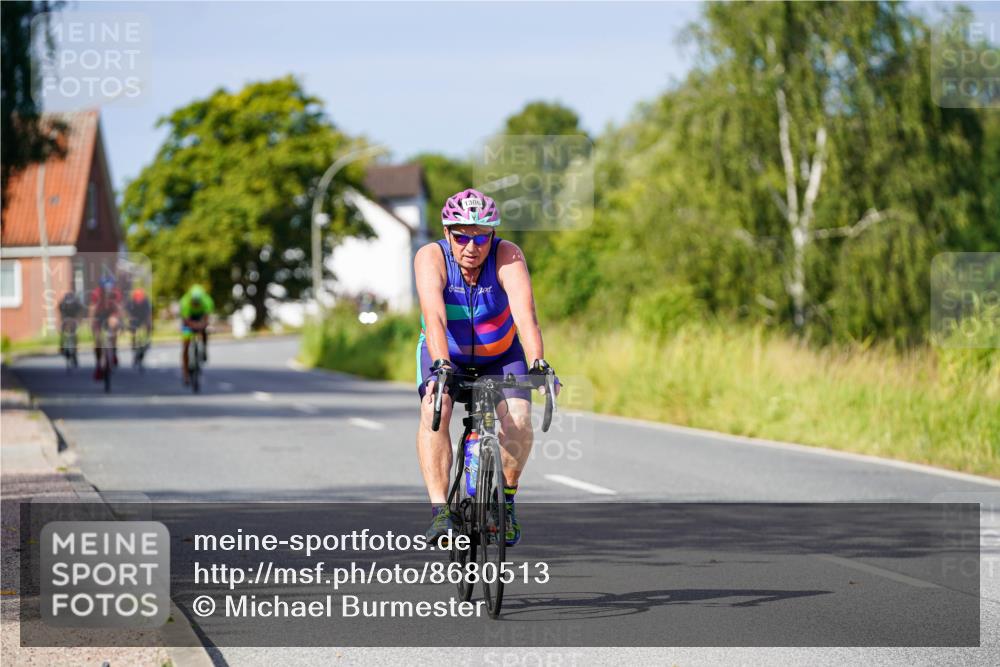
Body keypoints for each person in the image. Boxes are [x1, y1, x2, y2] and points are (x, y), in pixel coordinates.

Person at [414, 188, 557, 547]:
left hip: (501, 355)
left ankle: (505, 503)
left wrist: (538, 360)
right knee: (437, 406)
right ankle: (439, 512)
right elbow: (434, 317)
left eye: (481, 236)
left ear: (492, 235)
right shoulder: (430, 257)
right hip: (449, 353)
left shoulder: (507, 255)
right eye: (462, 235)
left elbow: (526, 314)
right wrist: (441, 364)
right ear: (447, 232)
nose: (471, 245)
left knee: (520, 419)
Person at [88, 276, 122, 381]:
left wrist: (121, 321)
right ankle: (99, 364)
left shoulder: (116, 293)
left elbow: (119, 308)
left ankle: (114, 351)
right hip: (99, 315)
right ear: (101, 288)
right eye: (105, 289)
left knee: (114, 323)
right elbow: (92, 308)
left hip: (111, 313)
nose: (108, 291)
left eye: (110, 289)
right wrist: (91, 322)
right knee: (97, 340)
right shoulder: (96, 293)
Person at [179, 284, 214, 386]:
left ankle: (204, 348)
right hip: (188, 321)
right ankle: (185, 374)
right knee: (186, 344)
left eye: (197, 303)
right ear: (191, 300)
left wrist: (201, 326)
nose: (196, 305)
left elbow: (206, 319)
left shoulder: (207, 301)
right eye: (194, 303)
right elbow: (186, 321)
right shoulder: (185, 302)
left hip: (200, 317)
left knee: (204, 331)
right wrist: (194, 327)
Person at [58, 291, 85, 362]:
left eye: (70, 302)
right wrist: (62, 321)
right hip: (66, 318)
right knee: (62, 331)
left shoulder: (77, 305)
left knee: (75, 333)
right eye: (68, 302)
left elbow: (80, 312)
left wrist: (79, 320)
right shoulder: (62, 304)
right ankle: (62, 345)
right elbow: (61, 314)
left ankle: (75, 349)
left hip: (74, 318)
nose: (69, 304)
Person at [126, 287, 153, 358]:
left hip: (142, 317)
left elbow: (148, 313)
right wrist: (130, 319)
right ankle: (133, 343)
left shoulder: (145, 301)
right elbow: (128, 312)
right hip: (135, 318)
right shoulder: (131, 302)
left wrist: (148, 322)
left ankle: (148, 339)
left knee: (148, 325)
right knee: (132, 330)